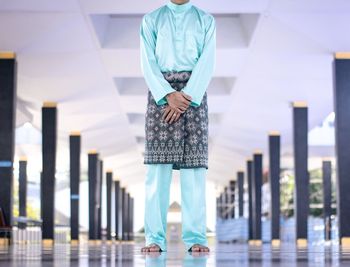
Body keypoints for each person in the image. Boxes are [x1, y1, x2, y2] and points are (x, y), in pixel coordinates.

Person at [140, 0, 216, 253]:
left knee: (194, 172)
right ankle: (154, 239)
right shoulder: (151, 19)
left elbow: (207, 62)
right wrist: (167, 94)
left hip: (194, 98)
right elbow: (147, 63)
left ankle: (196, 238)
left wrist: (187, 96)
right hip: (160, 97)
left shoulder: (206, 20)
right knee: (156, 172)